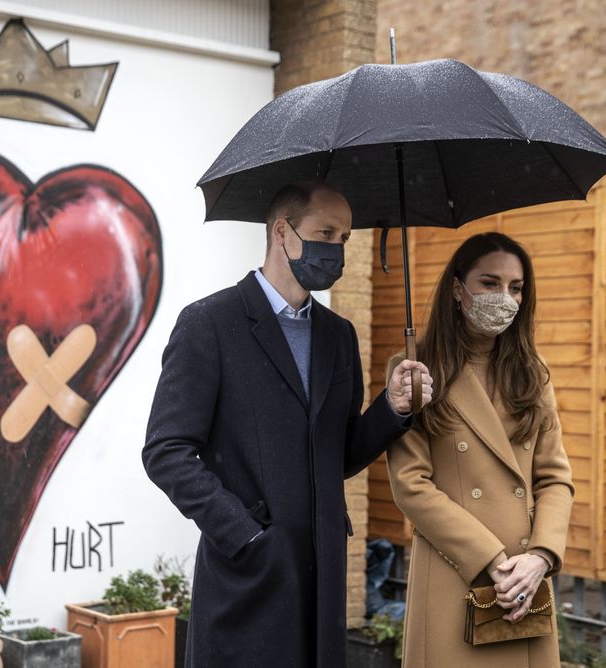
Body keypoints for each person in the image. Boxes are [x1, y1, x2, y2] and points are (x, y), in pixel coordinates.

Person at [143, 181, 433, 668]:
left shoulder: (339, 335)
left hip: (321, 574)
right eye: (326, 232)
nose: (336, 248)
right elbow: (166, 450)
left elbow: (337, 454)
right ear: (282, 231)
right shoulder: (209, 323)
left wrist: (393, 408)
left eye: (344, 238)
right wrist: (244, 535)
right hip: (247, 574)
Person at [386, 232, 574, 667]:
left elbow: (555, 477)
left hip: (525, 582)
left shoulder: (532, 371)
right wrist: (491, 559)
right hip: (458, 572)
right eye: (490, 283)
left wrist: (539, 558)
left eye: (515, 287)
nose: (504, 297)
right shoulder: (414, 370)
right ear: (457, 288)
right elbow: (411, 485)